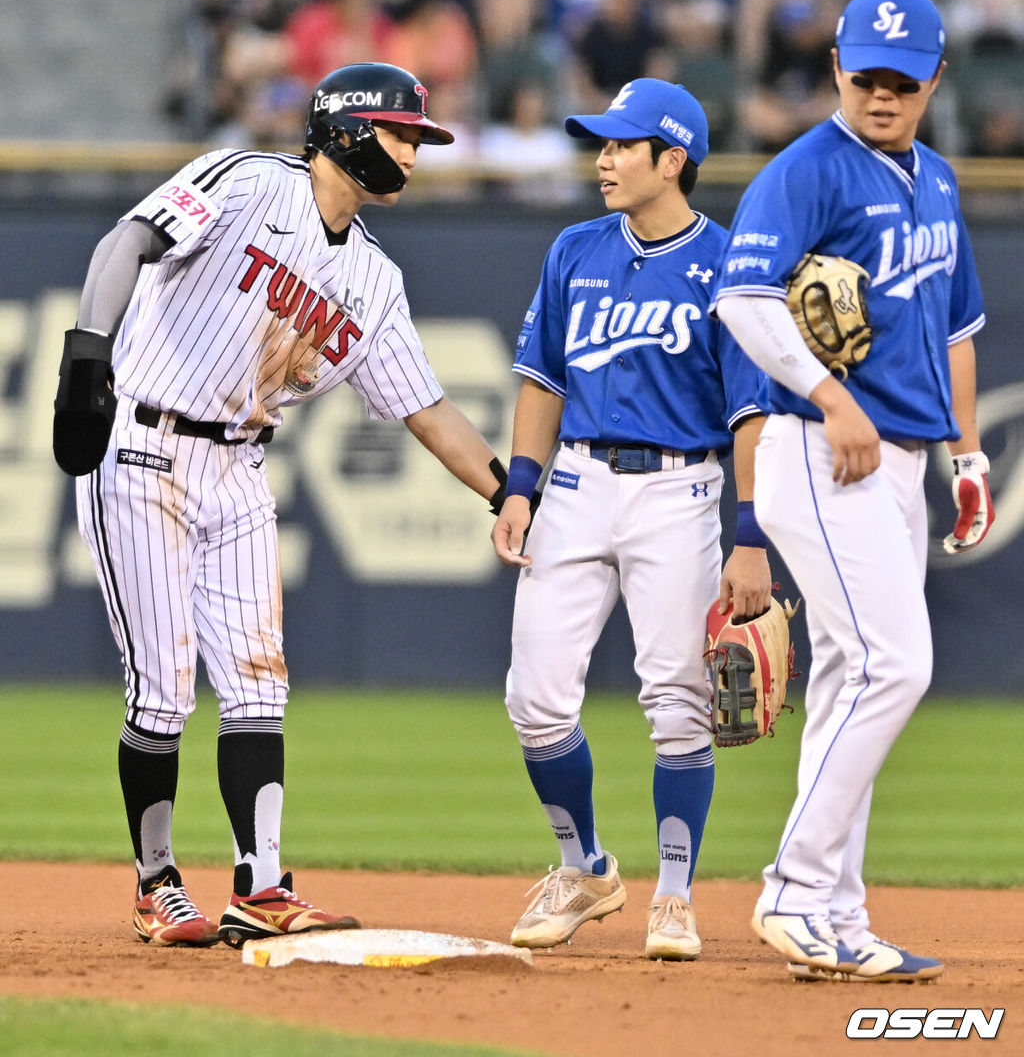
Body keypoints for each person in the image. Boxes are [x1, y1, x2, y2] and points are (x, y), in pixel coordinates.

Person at [52, 62, 509, 949]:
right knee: (162, 690)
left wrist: (507, 489)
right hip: (144, 445)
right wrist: (85, 355)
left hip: (240, 468)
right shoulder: (248, 181)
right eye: (400, 132)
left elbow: (427, 409)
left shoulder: (374, 281)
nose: (414, 151)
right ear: (342, 129)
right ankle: (156, 883)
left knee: (260, 682)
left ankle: (260, 886)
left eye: (418, 138)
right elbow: (126, 242)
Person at [711, 0, 994, 982]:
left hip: (904, 459)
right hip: (823, 452)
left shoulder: (937, 179)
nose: (881, 95)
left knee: (846, 680)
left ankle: (836, 915)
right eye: (864, 76)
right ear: (835, 68)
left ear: (934, 80)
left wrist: (965, 456)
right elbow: (741, 299)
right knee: (894, 664)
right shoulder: (807, 172)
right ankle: (792, 890)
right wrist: (830, 396)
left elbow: (957, 328)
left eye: (901, 81)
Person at [491, 78, 771, 961]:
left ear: (673, 159)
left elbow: (752, 414)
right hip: (574, 483)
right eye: (600, 145)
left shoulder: (730, 264)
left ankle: (676, 895)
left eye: (621, 145)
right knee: (534, 698)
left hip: (681, 492)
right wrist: (520, 486)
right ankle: (585, 868)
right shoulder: (575, 248)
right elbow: (542, 378)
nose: (603, 159)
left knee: (679, 702)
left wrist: (752, 531)